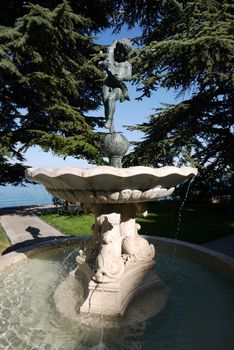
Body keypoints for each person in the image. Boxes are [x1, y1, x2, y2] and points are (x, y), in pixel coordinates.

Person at [99, 38, 132, 133]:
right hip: (107, 83)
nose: (118, 54)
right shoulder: (111, 59)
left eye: (121, 52)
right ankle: (111, 130)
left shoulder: (127, 64)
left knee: (111, 98)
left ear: (126, 54)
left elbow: (129, 76)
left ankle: (109, 120)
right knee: (106, 104)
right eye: (117, 51)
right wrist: (102, 63)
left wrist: (122, 77)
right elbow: (101, 64)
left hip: (119, 86)